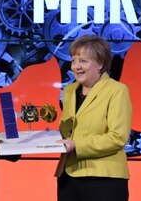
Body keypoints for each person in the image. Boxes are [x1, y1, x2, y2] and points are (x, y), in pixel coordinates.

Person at [55, 35, 132, 201]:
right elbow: (70, 132)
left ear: (100, 64)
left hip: (104, 178)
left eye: (83, 61)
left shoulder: (117, 90)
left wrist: (76, 145)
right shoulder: (69, 91)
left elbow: (117, 138)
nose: (76, 67)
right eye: (74, 60)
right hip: (68, 176)